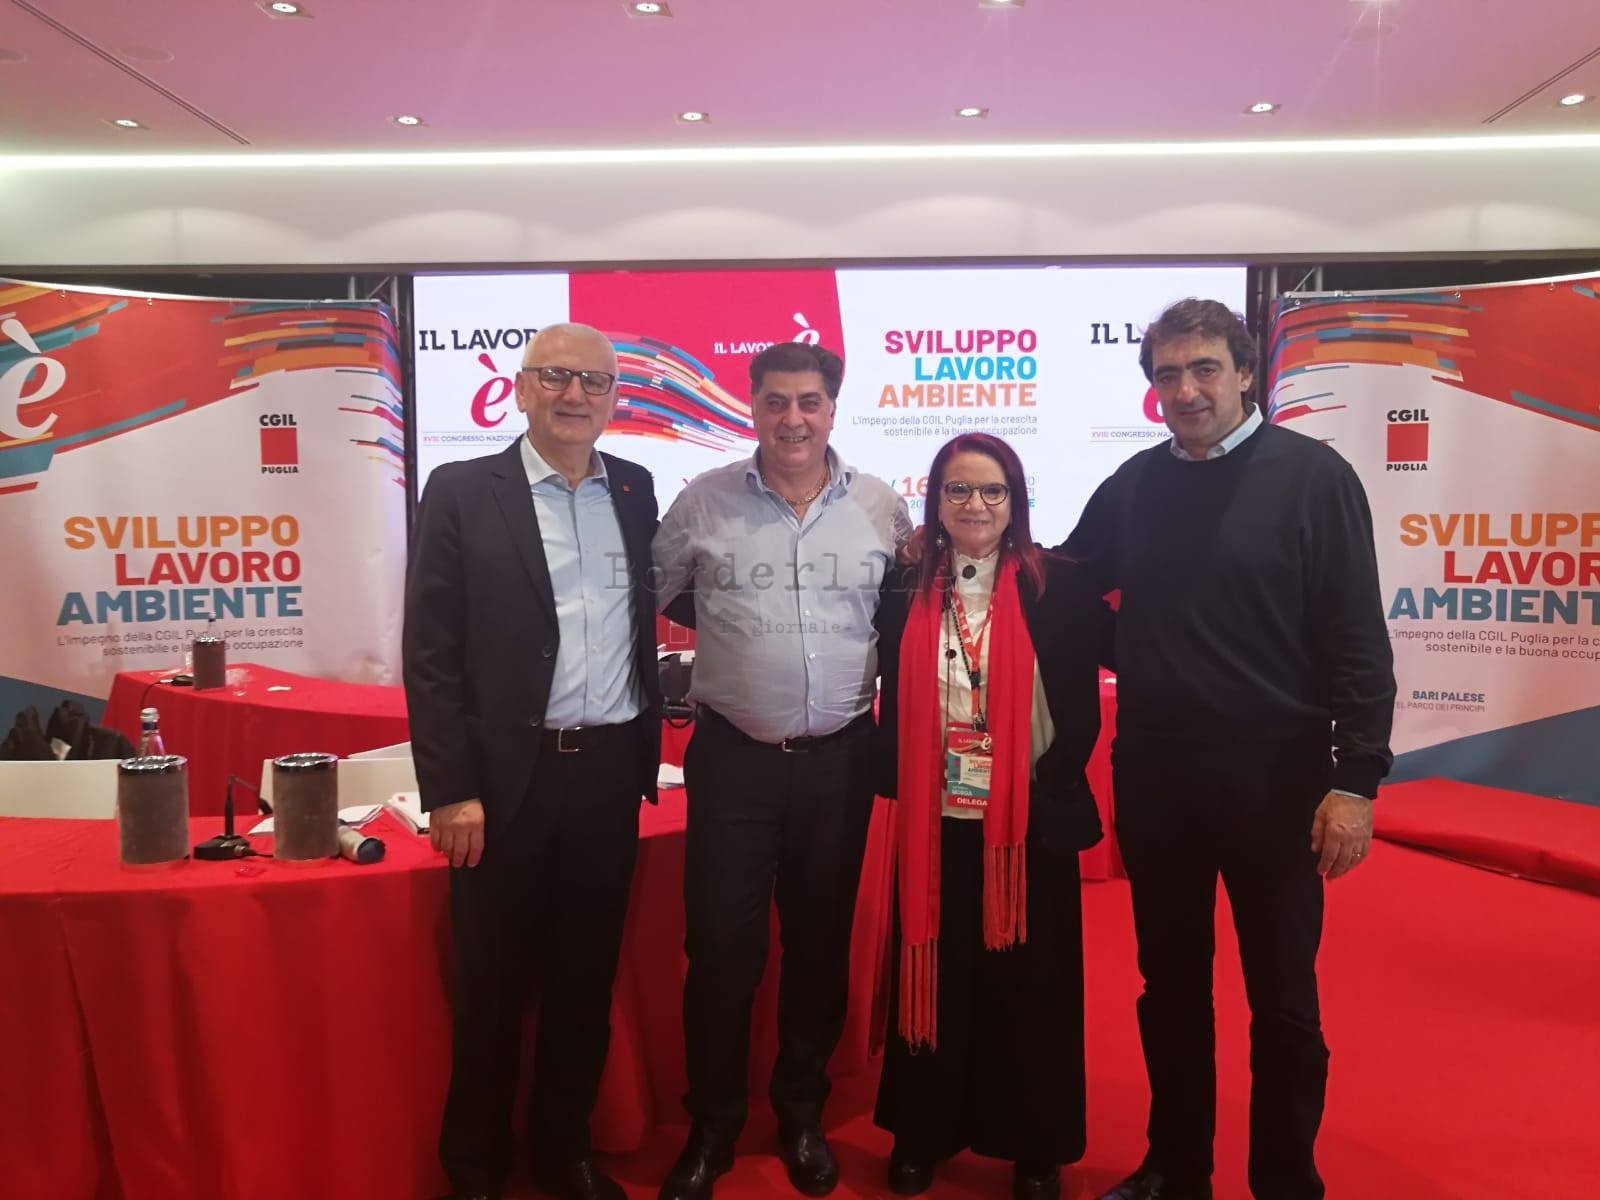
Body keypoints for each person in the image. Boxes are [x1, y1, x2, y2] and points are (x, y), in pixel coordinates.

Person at [1068, 299, 1396, 1200]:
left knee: (1282, 999)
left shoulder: (1314, 478)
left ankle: (1285, 1180)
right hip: (1158, 781)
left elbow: (1358, 642)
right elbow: (1063, 588)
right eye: (1168, 374)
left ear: (1246, 373)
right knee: (1169, 988)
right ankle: (1175, 1169)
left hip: (1278, 784)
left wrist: (1357, 781)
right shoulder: (1133, 486)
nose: (1186, 390)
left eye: (1204, 368)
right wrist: (949, 552)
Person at [403, 322, 663, 1200]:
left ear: (615, 397)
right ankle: (474, 1166)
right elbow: (430, 652)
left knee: (584, 980)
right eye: (555, 376)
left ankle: (565, 1151)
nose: (575, 395)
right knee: (493, 984)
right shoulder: (462, 491)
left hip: (608, 775)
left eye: (594, 380)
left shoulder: (635, 487)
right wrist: (451, 790)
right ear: (520, 389)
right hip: (504, 783)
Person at [650, 341, 912, 1200]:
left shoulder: (881, 507)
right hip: (735, 763)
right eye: (775, 401)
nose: (792, 419)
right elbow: (653, 594)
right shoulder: (703, 501)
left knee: (819, 948)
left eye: (808, 402)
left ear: (833, 408)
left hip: (840, 763)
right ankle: (713, 1125)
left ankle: (801, 1114)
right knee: (720, 952)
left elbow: (902, 619)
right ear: (753, 406)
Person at [872, 433, 1113, 1200]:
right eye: (958, 490)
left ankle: (1034, 1147)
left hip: (1028, 822)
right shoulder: (902, 586)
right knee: (936, 974)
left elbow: (1088, 696)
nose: (975, 505)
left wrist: (1045, 777)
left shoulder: (1058, 586)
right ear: (935, 502)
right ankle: (923, 1131)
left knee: (1032, 989)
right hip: (933, 817)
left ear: (1016, 502)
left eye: (992, 491)